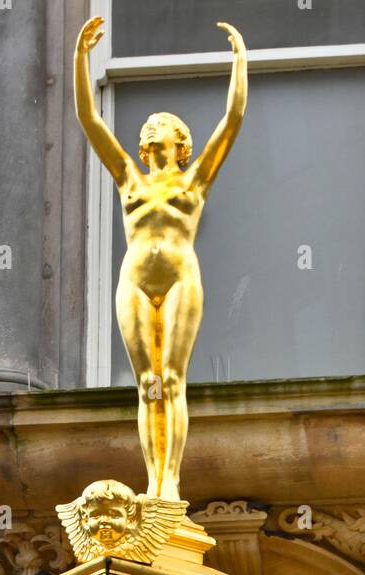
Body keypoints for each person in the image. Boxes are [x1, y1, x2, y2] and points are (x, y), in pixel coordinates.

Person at [74, 15, 248, 501]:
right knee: (147, 383)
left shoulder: (195, 181)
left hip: (179, 275)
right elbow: (90, 121)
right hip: (133, 278)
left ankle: (168, 484)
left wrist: (239, 62)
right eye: (148, 128)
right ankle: (152, 481)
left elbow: (231, 122)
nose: (151, 128)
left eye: (161, 126)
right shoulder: (129, 177)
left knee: (171, 379)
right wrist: (80, 60)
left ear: (179, 141)